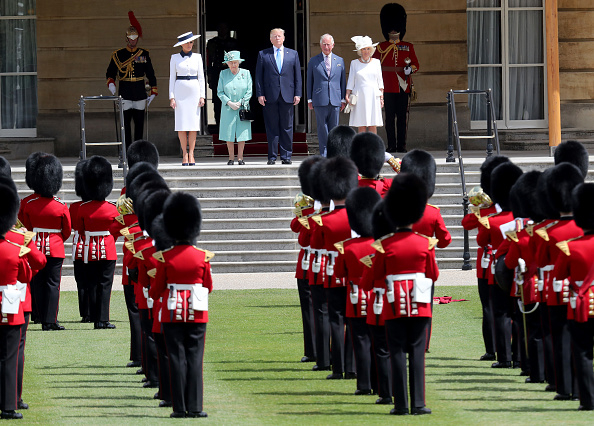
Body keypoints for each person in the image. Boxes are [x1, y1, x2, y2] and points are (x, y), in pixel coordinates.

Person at [149, 192, 213, 418]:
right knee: (195, 359)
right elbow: (209, 286)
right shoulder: (202, 257)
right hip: (196, 313)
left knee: (176, 358)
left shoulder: (165, 258)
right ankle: (195, 407)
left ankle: (179, 408)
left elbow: (156, 290)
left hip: (171, 312)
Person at [18, 154, 71, 331]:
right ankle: (50, 320)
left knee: (36, 282)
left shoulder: (27, 203)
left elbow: (24, 226)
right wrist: (56, 241)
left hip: (33, 247)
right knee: (53, 285)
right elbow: (67, 230)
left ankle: (38, 316)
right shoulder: (61, 205)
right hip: (55, 248)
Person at [105, 12, 157, 163]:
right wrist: (111, 84)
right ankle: (127, 154)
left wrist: (153, 90)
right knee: (125, 126)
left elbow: (151, 73)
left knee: (139, 126)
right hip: (125, 91)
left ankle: (139, 156)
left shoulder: (144, 54)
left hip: (140, 92)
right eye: (130, 38)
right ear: (127, 38)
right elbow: (110, 72)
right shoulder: (118, 55)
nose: (133, 41)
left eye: (135, 38)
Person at [374, 3, 419, 153]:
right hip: (386, 86)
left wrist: (409, 69)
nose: (393, 30)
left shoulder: (408, 46)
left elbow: (416, 65)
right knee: (389, 119)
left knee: (401, 118)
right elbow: (373, 66)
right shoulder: (380, 47)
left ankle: (401, 145)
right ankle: (391, 144)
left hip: (403, 86)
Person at [256, 28, 302, 165]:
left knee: (287, 127)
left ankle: (286, 156)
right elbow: (259, 76)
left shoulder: (293, 54)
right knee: (271, 127)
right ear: (270, 39)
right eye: (274, 36)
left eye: (279, 36)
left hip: (288, 95)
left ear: (284, 38)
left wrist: (297, 94)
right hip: (270, 95)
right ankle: (272, 156)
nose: (277, 38)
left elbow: (297, 76)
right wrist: (260, 94)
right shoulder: (263, 54)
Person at [306, 34, 346, 157]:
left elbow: (342, 81)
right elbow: (309, 81)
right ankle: (324, 153)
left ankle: (334, 153)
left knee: (334, 128)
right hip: (319, 99)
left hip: (335, 99)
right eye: (324, 44)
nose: (326, 46)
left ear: (333, 45)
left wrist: (343, 99)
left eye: (328, 44)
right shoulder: (313, 60)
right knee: (322, 128)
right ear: (320, 45)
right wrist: (309, 99)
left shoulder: (339, 60)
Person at [169, 32, 205, 166]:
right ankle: (184, 153)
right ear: (181, 44)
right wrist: (171, 97)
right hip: (180, 91)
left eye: (191, 42)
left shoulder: (197, 57)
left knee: (193, 125)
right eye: (186, 42)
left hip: (194, 90)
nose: (189, 45)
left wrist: (202, 95)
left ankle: (192, 154)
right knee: (182, 125)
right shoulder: (174, 58)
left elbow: (201, 77)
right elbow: (172, 78)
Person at [217, 51, 252, 165]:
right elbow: (220, 92)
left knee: (242, 133)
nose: (233, 65)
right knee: (229, 133)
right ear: (227, 63)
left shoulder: (246, 73)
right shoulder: (223, 74)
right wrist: (229, 102)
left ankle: (240, 158)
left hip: (242, 107)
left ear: (239, 62)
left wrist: (242, 102)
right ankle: (231, 158)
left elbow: (249, 90)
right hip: (228, 108)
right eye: (231, 63)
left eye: (235, 62)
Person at [346, 36, 384, 133]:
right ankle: (361, 147)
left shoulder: (376, 62)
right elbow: (351, 81)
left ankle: (373, 147)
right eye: (364, 49)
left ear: (371, 50)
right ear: (360, 50)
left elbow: (380, 82)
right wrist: (347, 95)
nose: (366, 51)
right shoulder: (354, 63)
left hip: (373, 96)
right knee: (361, 125)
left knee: (372, 124)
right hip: (360, 96)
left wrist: (381, 98)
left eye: (368, 49)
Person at [206, 22, 239, 131]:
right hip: (217, 73)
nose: (223, 30)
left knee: (233, 99)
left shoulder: (233, 42)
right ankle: (219, 125)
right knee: (217, 100)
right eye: (221, 28)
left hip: (231, 74)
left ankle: (232, 125)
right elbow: (209, 60)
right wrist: (210, 76)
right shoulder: (212, 42)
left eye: (225, 28)